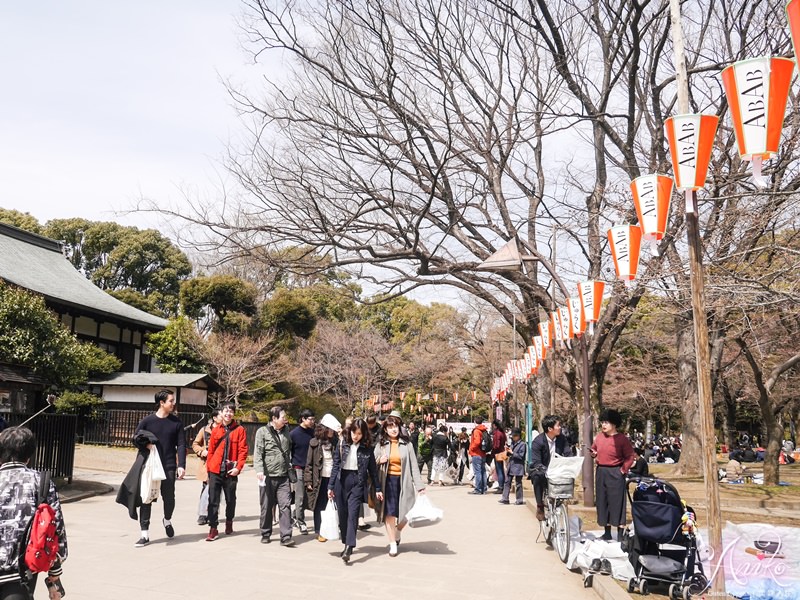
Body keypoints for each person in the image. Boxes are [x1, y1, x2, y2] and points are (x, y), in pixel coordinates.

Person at [0, 427, 68, 600]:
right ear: (29, 455)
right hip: (20, 575)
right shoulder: (41, 482)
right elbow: (54, 529)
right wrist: (55, 573)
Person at [132, 389, 186, 547]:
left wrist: (181, 465)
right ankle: (144, 534)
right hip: (149, 465)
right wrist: (146, 444)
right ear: (161, 403)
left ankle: (167, 519)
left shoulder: (176, 422)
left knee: (169, 498)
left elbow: (181, 444)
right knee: (146, 498)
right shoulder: (147, 421)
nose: (173, 403)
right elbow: (135, 438)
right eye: (171, 400)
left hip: (169, 465)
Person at [328, 418, 383, 563]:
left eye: (359, 433)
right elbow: (336, 465)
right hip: (342, 480)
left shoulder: (367, 448)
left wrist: (377, 488)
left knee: (353, 514)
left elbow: (372, 470)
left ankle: (348, 547)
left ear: (364, 434)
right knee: (343, 514)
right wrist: (330, 486)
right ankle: (347, 541)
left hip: (358, 482)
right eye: (354, 432)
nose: (355, 436)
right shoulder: (342, 443)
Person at [374, 412, 425, 556]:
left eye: (395, 426)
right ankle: (392, 544)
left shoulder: (407, 444)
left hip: (404, 481)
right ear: (385, 429)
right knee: (389, 513)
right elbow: (371, 463)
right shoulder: (381, 445)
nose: (393, 429)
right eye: (390, 427)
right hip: (387, 481)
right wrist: (379, 460)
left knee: (407, 513)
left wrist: (420, 486)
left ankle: (398, 530)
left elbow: (414, 465)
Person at [204, 403, 248, 541]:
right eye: (226, 411)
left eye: (231, 411)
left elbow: (243, 450)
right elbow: (210, 450)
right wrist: (209, 469)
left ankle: (229, 521)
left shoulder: (240, 430)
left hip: (230, 471)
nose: (228, 414)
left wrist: (238, 467)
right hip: (215, 469)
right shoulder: (216, 429)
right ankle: (213, 527)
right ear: (221, 413)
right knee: (213, 500)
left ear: (234, 414)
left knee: (230, 499)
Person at [591, 408, 636, 542]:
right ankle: (607, 532)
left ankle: (620, 533)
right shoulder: (599, 437)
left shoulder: (622, 439)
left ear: (614, 424)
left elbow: (630, 456)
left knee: (617, 502)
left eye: (607, 422)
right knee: (602, 501)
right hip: (601, 471)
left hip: (616, 471)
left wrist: (623, 470)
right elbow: (594, 448)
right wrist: (593, 453)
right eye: (602, 422)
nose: (603, 425)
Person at [254, 406, 295, 547]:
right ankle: (266, 532)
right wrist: (259, 470)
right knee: (266, 506)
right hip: (267, 476)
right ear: (274, 419)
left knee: (285, 505)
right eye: (282, 417)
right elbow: (258, 453)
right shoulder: (262, 432)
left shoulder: (287, 432)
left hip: (283, 476)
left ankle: (286, 536)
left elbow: (290, 450)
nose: (285, 419)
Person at [304, 414, 341, 542]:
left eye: (333, 430)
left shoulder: (337, 442)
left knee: (334, 503)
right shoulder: (314, 443)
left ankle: (334, 528)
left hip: (334, 478)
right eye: (329, 429)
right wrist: (308, 480)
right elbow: (308, 464)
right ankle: (319, 531)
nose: (332, 432)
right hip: (319, 479)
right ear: (324, 429)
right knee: (319, 505)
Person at [528, 415, 572, 520]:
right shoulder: (538, 442)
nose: (560, 427)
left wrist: (571, 463)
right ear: (550, 429)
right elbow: (537, 462)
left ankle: (560, 503)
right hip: (543, 469)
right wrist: (546, 470)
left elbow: (568, 453)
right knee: (537, 476)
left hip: (558, 469)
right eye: (558, 425)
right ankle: (540, 506)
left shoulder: (562, 439)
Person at [192, 409, 221, 525]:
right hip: (207, 464)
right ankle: (203, 514)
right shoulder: (204, 430)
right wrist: (202, 451)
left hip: (219, 464)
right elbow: (195, 444)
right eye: (221, 415)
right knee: (206, 489)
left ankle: (213, 513)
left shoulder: (225, 430)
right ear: (214, 418)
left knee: (216, 490)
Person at [289, 408, 315, 535]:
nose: (312, 421)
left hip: (310, 469)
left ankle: (295, 515)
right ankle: (301, 522)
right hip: (298, 468)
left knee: (308, 496)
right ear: (303, 419)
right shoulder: (294, 434)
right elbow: (289, 451)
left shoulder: (313, 432)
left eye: (313, 419)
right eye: (310, 419)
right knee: (299, 496)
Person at [499, 428, 526, 505]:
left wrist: (512, 452)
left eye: (514, 436)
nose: (513, 438)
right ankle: (505, 498)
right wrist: (508, 451)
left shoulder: (522, 445)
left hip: (518, 466)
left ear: (518, 436)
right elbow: (510, 454)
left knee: (518, 483)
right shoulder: (513, 443)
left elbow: (521, 456)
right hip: (511, 465)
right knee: (507, 482)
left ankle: (519, 499)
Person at [468, 416, 489, 495]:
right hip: (483, 453)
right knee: (483, 471)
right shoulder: (484, 430)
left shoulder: (477, 430)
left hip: (476, 453)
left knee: (477, 472)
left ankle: (478, 489)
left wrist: (472, 448)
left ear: (474, 422)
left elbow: (477, 442)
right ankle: (484, 488)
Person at [490, 420, 507, 493]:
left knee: (499, 470)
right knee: (501, 470)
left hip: (497, 453)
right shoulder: (502, 432)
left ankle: (501, 487)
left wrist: (492, 451)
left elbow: (496, 445)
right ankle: (502, 485)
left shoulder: (497, 433)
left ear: (495, 425)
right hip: (502, 452)